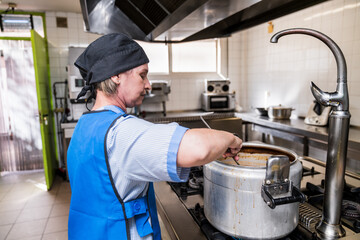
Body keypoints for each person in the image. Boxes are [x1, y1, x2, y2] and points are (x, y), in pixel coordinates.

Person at [67, 33, 242, 240]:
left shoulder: (86, 125)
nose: (148, 84)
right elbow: (199, 147)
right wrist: (231, 138)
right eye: (142, 75)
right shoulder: (120, 132)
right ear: (116, 75)